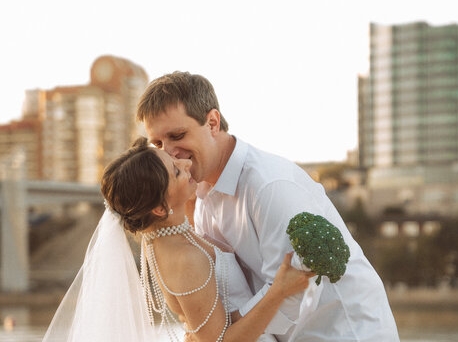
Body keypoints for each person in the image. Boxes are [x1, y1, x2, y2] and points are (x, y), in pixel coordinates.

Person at [137, 71, 401, 341]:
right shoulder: (198, 194)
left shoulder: (270, 186)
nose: (168, 152)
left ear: (213, 123)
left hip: (345, 333)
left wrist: (219, 332)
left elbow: (294, 292)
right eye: (158, 143)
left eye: (177, 135)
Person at [42, 137, 314, 342]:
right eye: (175, 171)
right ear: (160, 209)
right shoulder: (184, 259)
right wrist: (279, 290)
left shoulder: (167, 237)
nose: (185, 163)